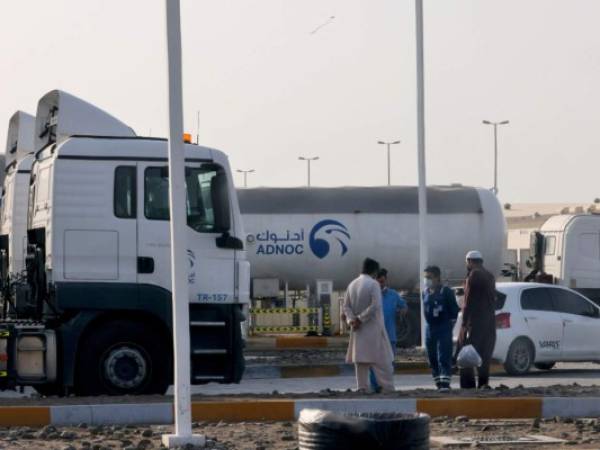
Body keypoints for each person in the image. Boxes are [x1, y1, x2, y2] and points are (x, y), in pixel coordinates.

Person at [343, 258, 395, 393]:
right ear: (374, 271)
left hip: (357, 330)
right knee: (384, 362)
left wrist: (352, 321)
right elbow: (375, 305)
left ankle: (362, 388)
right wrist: (360, 319)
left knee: (360, 362)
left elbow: (346, 307)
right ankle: (387, 387)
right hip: (373, 329)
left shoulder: (352, 284)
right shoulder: (373, 284)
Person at [458, 250, 497, 389]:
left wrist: (464, 324)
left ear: (469, 261)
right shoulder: (490, 275)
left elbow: (468, 302)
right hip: (489, 324)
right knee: (484, 358)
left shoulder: (473, 275)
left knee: (467, 356)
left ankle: (468, 387)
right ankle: (483, 385)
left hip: (474, 325)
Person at [369, 268, 407, 392]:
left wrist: (402, 311)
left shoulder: (393, 294)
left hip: (390, 335)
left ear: (386, 281)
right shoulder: (369, 295)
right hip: (374, 335)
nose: (381, 284)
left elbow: (403, 305)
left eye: (382, 282)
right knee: (373, 362)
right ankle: (376, 386)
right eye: (378, 282)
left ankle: (387, 385)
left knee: (389, 363)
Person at [423, 265, 459, 392]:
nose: (426, 280)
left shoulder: (446, 292)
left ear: (437, 278)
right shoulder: (425, 292)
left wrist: (449, 325)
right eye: (425, 277)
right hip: (430, 329)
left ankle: (445, 384)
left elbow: (454, 311)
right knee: (432, 358)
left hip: (443, 328)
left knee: (443, 357)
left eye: (429, 277)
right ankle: (438, 383)